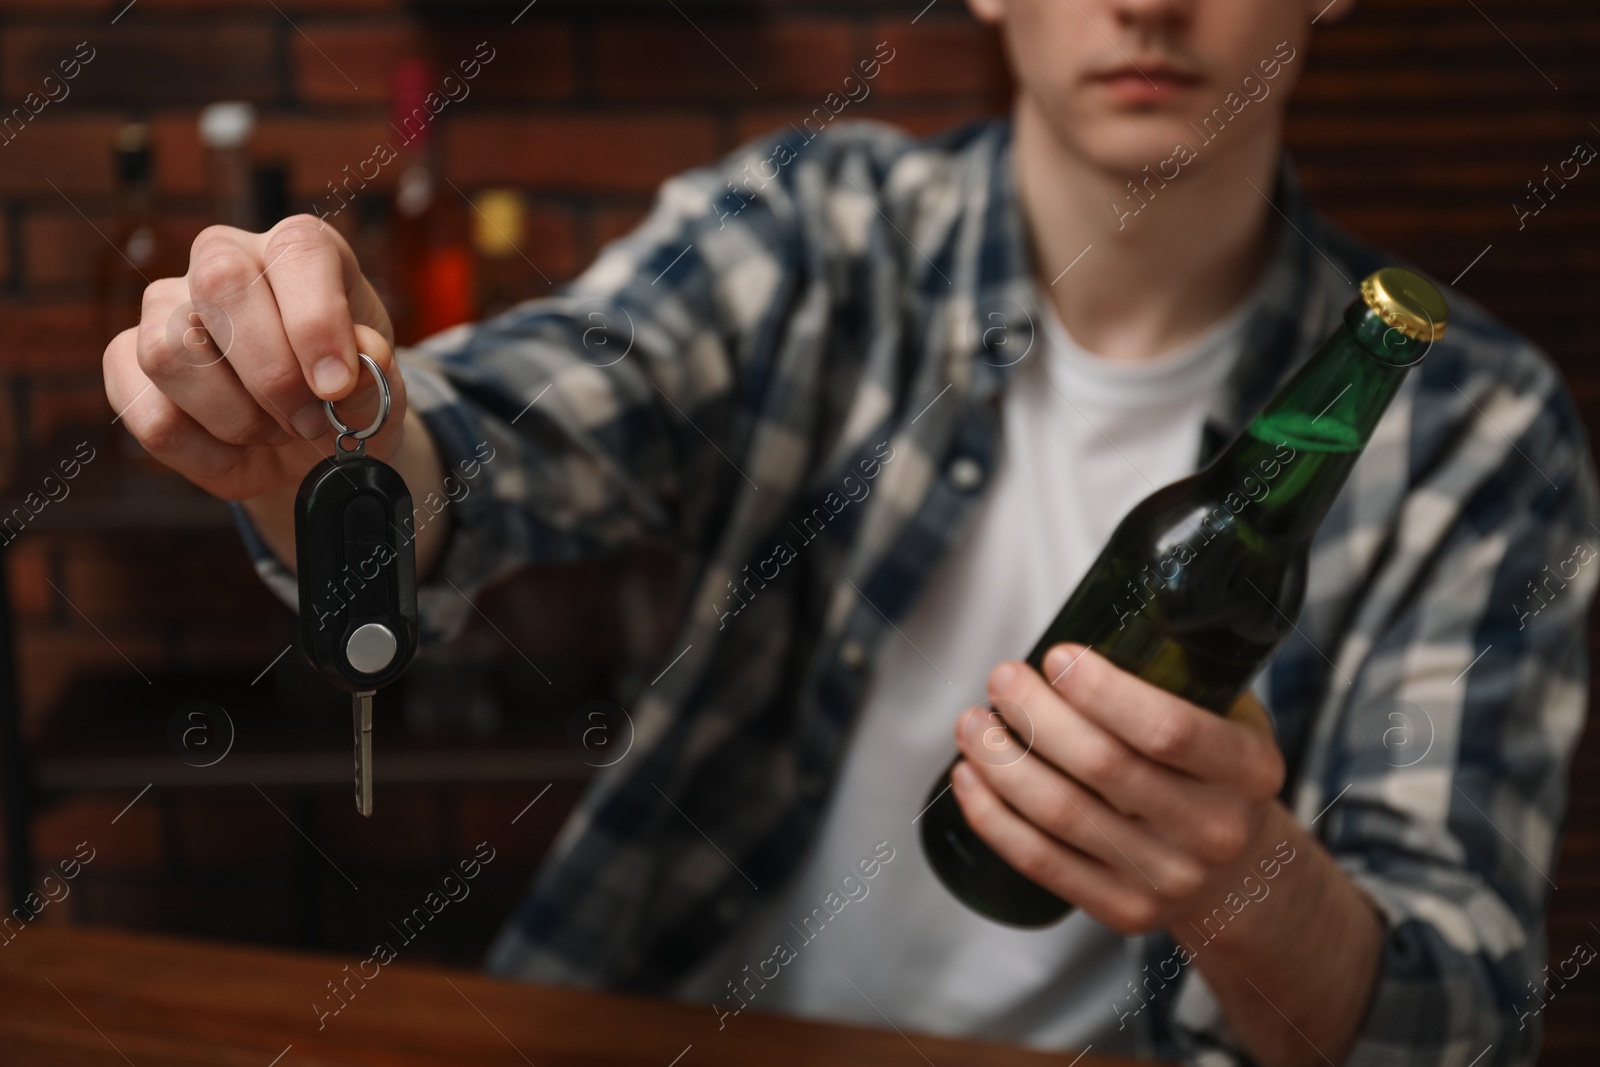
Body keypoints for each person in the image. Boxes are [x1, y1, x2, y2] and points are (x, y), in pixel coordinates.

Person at [102, 0, 1595, 1063]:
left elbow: (1453, 1024)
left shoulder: (1479, 437)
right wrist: (327, 432)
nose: (1148, 3)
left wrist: (1243, 879)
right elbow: (505, 439)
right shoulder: (816, 234)